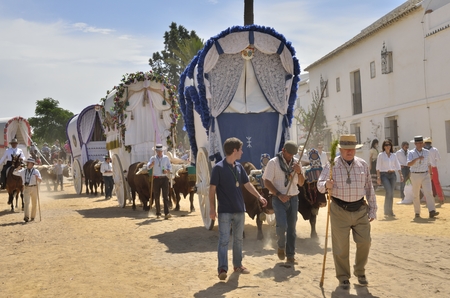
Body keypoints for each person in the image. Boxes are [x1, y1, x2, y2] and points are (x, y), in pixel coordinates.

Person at [317, 134, 377, 289]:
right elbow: (319, 184)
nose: (349, 152)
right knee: (340, 247)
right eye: (346, 149)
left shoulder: (362, 164)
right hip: (339, 210)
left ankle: (360, 271)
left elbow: (369, 187)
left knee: (365, 242)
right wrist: (326, 185)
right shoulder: (332, 165)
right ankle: (343, 277)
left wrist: (372, 210)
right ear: (341, 149)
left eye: (352, 149)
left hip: (360, 209)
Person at [209, 137, 267, 280]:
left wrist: (259, 196)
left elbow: (247, 185)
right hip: (224, 211)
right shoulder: (218, 168)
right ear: (234, 150)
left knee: (238, 239)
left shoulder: (240, 167)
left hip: (240, 210)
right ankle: (222, 269)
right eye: (240, 149)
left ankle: (238, 265)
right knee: (223, 240)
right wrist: (212, 209)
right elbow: (212, 190)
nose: (242, 152)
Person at [263, 140, 305, 264]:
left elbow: (301, 183)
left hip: (293, 198)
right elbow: (266, 182)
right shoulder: (273, 163)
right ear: (283, 150)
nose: (291, 157)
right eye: (289, 154)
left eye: (293, 154)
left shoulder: (297, 163)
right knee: (282, 226)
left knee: (292, 228)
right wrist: (279, 194)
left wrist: (299, 172)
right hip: (278, 199)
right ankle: (281, 245)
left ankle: (290, 256)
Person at [407, 136, 439, 219]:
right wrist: (417, 159)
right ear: (415, 144)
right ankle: (417, 212)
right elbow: (409, 164)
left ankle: (432, 211)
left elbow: (429, 163)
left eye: (421, 143)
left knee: (429, 192)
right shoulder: (411, 152)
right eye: (418, 143)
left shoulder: (426, 152)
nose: (420, 144)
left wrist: (431, 173)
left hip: (425, 174)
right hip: (415, 174)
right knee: (416, 194)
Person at [376, 139, 402, 217]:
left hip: (392, 175)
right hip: (384, 174)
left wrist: (401, 175)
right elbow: (378, 167)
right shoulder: (381, 155)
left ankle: (389, 211)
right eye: (386, 145)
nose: (388, 146)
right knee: (389, 191)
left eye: (389, 145)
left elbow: (397, 165)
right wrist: (378, 177)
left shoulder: (394, 155)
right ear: (384, 147)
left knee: (391, 193)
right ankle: (387, 210)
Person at [147, 144, 172, 219]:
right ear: (156, 151)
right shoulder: (153, 158)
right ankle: (158, 213)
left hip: (164, 178)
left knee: (165, 196)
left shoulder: (166, 158)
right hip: (156, 179)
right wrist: (151, 165)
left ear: (162, 151)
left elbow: (169, 167)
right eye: (158, 151)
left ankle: (167, 213)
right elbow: (148, 167)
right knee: (156, 196)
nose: (159, 152)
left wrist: (167, 170)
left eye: (160, 151)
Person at [13, 158, 42, 222]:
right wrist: (18, 168)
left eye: (28, 163)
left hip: (34, 188)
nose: (27, 164)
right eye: (27, 163)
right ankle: (26, 217)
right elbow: (14, 173)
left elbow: (40, 180)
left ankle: (33, 217)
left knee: (34, 203)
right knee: (26, 203)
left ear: (32, 164)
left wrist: (37, 178)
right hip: (26, 188)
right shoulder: (23, 171)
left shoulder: (36, 171)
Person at [424, 137, 445, 204]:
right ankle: (441, 198)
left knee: (426, 184)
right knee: (436, 183)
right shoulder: (434, 149)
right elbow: (438, 159)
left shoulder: (423, 150)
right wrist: (433, 160)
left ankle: (426, 199)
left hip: (426, 168)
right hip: (433, 167)